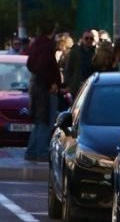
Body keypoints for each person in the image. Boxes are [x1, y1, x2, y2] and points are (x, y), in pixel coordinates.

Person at [24, 28, 63, 163]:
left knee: (39, 122)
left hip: (38, 88)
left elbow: (30, 64)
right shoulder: (47, 46)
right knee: (46, 120)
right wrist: (51, 83)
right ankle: (41, 152)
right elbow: (43, 66)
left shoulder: (36, 44)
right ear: (52, 32)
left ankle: (32, 151)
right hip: (45, 90)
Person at [62, 30, 97, 97]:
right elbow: (68, 69)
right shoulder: (75, 52)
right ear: (82, 39)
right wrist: (69, 85)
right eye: (86, 38)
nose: (89, 40)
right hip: (77, 86)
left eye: (91, 38)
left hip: (92, 85)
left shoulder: (96, 52)